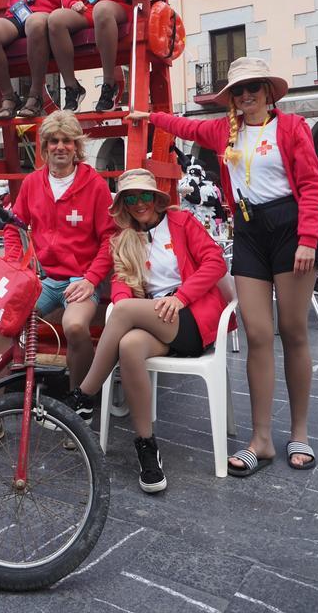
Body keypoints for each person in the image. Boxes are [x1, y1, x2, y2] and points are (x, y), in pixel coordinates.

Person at [128, 57, 318, 476]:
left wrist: (308, 239)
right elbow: (184, 127)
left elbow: (313, 185)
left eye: (253, 87)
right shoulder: (226, 129)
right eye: (239, 91)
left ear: (268, 90)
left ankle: (299, 433)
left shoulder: (292, 127)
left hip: (291, 228)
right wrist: (149, 116)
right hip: (248, 232)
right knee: (257, 334)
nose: (246, 96)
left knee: (293, 332)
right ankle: (261, 440)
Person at [65, 169, 228, 493]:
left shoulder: (182, 223)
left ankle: (83, 395)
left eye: (144, 196)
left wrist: (181, 298)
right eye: (131, 198)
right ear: (124, 204)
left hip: (191, 318)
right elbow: (122, 285)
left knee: (124, 311)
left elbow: (215, 262)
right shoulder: (124, 239)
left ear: (156, 199)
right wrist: (133, 303)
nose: (139, 203)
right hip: (155, 323)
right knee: (128, 347)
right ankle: (146, 447)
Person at [0, 111, 115, 457]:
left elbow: (110, 238)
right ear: (45, 147)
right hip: (44, 278)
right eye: (53, 141)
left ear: (77, 147)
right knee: (2, 324)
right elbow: (13, 226)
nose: (60, 147)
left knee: (75, 324)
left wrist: (92, 279)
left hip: (82, 278)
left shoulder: (94, 185)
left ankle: (79, 409)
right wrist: (20, 265)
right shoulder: (33, 183)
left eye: (66, 141)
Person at [178, 163, 223, 229]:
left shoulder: (207, 188)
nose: (193, 177)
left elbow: (213, 202)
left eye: (195, 175)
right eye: (191, 175)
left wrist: (202, 203)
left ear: (200, 176)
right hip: (191, 218)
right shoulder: (187, 186)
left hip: (205, 219)